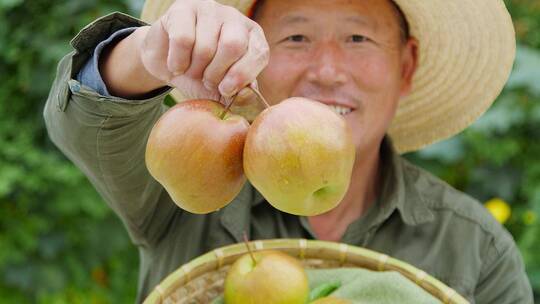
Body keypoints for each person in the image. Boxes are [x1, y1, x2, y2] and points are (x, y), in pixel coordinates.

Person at [43, 0, 534, 302]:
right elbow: (82, 125)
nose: (327, 70)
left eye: (358, 38)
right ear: (250, 56)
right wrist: (151, 53)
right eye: (296, 37)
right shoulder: (197, 180)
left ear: (406, 66)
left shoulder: (476, 248)